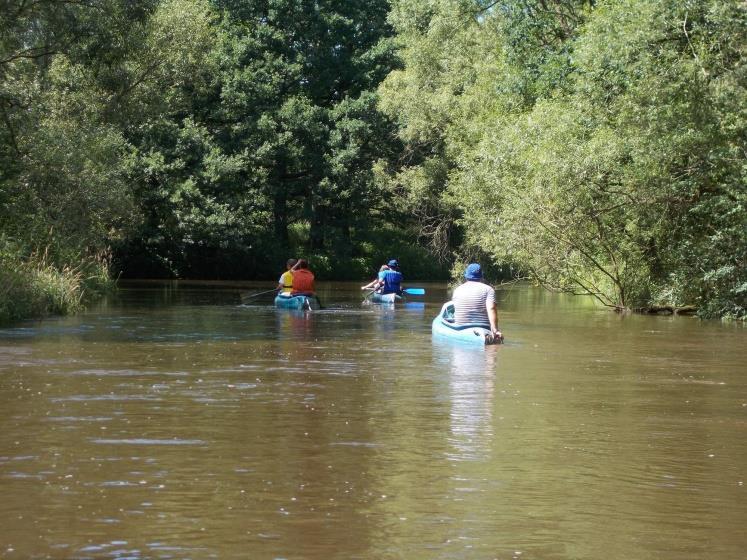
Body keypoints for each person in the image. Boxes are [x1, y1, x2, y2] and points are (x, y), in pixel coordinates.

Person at [452, 263, 502, 341]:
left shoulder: (457, 290)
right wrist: (495, 330)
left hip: (460, 327)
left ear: (466, 276)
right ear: (481, 276)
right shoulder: (488, 289)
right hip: (483, 328)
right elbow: (491, 308)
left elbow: (455, 308)